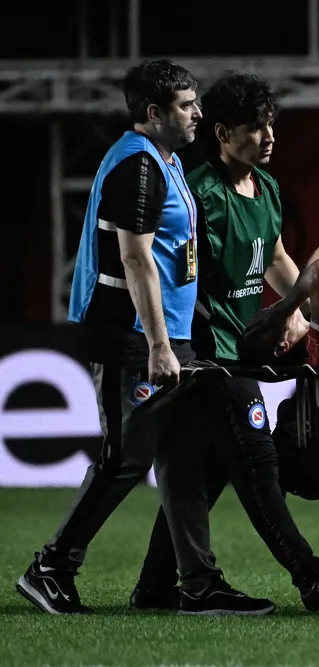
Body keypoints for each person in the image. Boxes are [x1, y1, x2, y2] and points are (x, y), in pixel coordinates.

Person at [129, 71, 319, 615]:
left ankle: (155, 587)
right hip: (208, 352)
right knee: (257, 458)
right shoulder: (198, 194)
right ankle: (309, 575)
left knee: (204, 470)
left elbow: (278, 258)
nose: (268, 136)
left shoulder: (267, 188)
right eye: (255, 128)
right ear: (221, 132)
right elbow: (178, 280)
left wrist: (309, 318)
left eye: (271, 126)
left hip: (239, 351)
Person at [15, 60, 212, 614]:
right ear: (154, 113)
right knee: (125, 458)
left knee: (184, 458)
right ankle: (51, 566)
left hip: (165, 335)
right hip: (133, 336)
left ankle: (190, 583)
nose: (197, 112)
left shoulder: (164, 162)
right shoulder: (139, 168)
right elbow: (134, 257)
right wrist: (158, 345)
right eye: (185, 104)